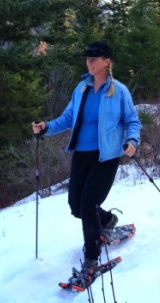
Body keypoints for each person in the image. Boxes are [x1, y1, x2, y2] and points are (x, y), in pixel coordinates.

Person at [32, 41, 141, 273]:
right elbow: (67, 118)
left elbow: (132, 120)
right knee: (76, 206)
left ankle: (92, 256)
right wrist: (46, 127)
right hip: (82, 154)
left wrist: (132, 141)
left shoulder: (118, 91)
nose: (89, 62)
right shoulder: (81, 89)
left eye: (94, 58)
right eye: (88, 59)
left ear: (106, 62)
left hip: (106, 157)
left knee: (88, 204)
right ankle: (107, 221)